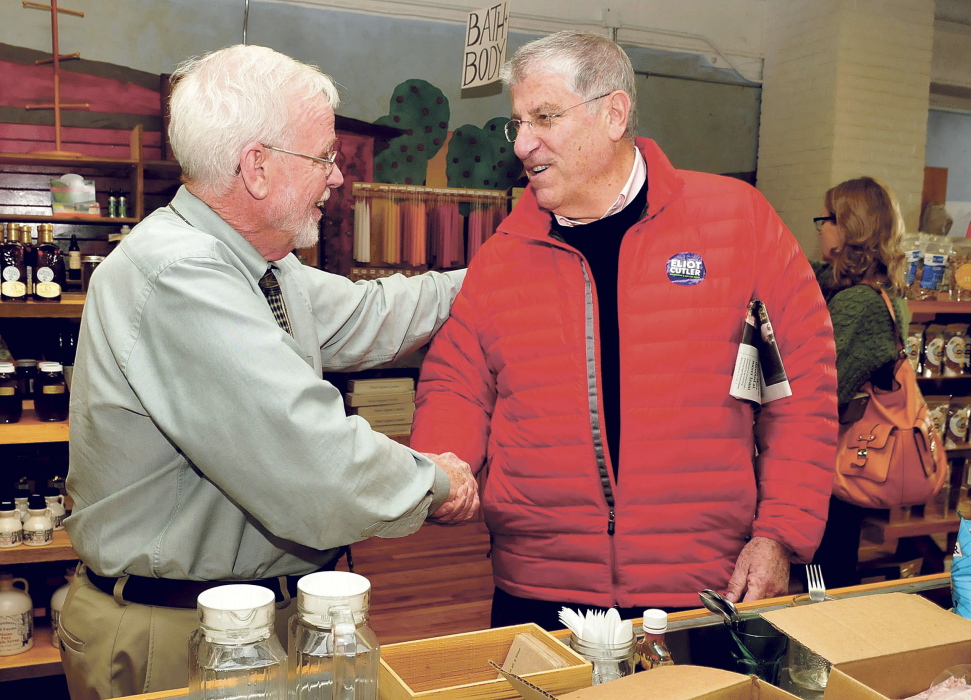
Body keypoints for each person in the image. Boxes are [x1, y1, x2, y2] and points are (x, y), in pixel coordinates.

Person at [60, 44, 478, 699]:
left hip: (255, 617)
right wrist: (433, 482)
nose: (336, 178)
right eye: (324, 159)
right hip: (178, 634)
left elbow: (374, 313)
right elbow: (310, 462)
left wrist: (501, 271)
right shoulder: (180, 276)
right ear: (256, 167)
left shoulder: (260, 267)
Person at [409, 30, 838, 631]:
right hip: (540, 589)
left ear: (614, 113)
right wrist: (443, 468)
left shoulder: (737, 223)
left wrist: (780, 535)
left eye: (545, 117)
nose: (523, 143)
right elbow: (457, 382)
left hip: (703, 590)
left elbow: (802, 392)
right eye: (518, 123)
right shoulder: (504, 252)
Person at [808, 176, 910, 589]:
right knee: (835, 558)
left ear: (852, 228)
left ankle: (824, 646)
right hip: (858, 453)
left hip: (838, 455)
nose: (820, 228)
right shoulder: (882, 291)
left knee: (826, 569)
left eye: (828, 219)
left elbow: (822, 387)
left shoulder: (858, 303)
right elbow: (813, 274)